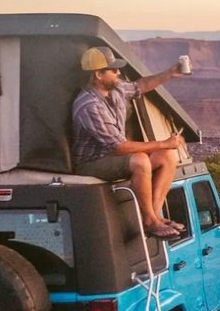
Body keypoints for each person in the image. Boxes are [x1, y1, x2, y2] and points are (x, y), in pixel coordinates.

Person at [71, 46, 193, 239]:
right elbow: (119, 147)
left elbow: (141, 86)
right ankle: (149, 220)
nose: (118, 72)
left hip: (111, 155)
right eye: (113, 70)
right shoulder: (89, 106)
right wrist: (163, 143)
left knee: (168, 156)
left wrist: (170, 73)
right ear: (98, 74)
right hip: (91, 162)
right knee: (140, 160)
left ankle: (154, 216)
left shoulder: (115, 88)